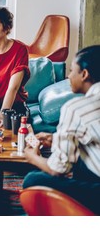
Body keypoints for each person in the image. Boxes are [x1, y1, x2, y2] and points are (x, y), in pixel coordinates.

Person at [23, 45, 100, 215]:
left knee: (32, 179)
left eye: (72, 71)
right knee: (81, 155)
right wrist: (56, 138)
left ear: (84, 74)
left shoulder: (76, 108)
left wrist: (33, 158)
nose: (69, 76)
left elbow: (58, 170)